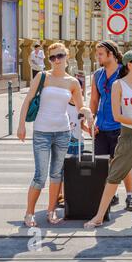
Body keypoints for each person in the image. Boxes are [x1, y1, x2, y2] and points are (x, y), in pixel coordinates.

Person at [17, 42, 94, 227]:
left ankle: (51, 211)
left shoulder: (73, 82)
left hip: (63, 132)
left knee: (57, 174)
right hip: (42, 132)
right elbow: (27, 101)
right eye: (52, 57)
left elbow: (79, 105)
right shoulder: (42, 77)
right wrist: (21, 125)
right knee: (40, 175)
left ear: (67, 57)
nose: (56, 60)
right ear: (49, 59)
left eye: (60, 56)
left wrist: (88, 112)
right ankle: (29, 213)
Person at [84, 50, 132, 228]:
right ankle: (99, 216)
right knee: (114, 175)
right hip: (128, 135)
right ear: (129, 64)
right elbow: (117, 116)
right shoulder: (119, 85)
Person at [90, 40, 132, 211]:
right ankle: (112, 194)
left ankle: (131, 196)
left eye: (100, 53)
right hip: (101, 127)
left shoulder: (124, 72)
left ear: (111, 54)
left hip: (121, 126)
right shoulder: (97, 75)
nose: (98, 57)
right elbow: (94, 101)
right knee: (102, 164)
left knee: (123, 163)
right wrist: (90, 120)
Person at [57, 79, 90, 207]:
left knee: (76, 170)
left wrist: (91, 131)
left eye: (79, 91)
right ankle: (60, 195)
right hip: (64, 143)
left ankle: (74, 194)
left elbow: (81, 124)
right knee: (61, 170)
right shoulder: (63, 105)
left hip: (78, 143)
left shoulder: (81, 107)